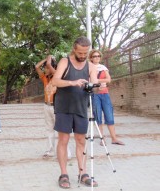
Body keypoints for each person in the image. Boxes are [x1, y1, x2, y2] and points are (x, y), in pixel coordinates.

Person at [51, 36, 98, 189]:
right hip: (64, 107)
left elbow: (96, 84)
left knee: (81, 141)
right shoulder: (65, 62)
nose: (83, 56)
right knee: (63, 140)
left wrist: (91, 86)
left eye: (85, 53)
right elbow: (55, 81)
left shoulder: (91, 66)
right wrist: (72, 82)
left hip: (81, 107)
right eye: (80, 53)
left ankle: (82, 173)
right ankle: (63, 174)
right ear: (74, 49)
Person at [35, 55, 71, 159]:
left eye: (47, 68)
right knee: (49, 129)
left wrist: (49, 62)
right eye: (45, 68)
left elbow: (51, 67)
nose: (45, 69)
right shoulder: (45, 78)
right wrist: (45, 59)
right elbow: (37, 67)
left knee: (61, 130)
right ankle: (50, 151)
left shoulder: (58, 77)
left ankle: (66, 153)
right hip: (47, 105)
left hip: (57, 107)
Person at [89, 49, 125, 146]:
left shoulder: (103, 67)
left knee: (109, 115)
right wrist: (99, 81)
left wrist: (97, 80)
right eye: (94, 56)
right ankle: (102, 138)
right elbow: (89, 81)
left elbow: (108, 79)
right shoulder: (89, 67)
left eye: (98, 56)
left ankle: (114, 138)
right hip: (95, 94)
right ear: (91, 58)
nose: (97, 58)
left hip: (105, 94)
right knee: (98, 117)